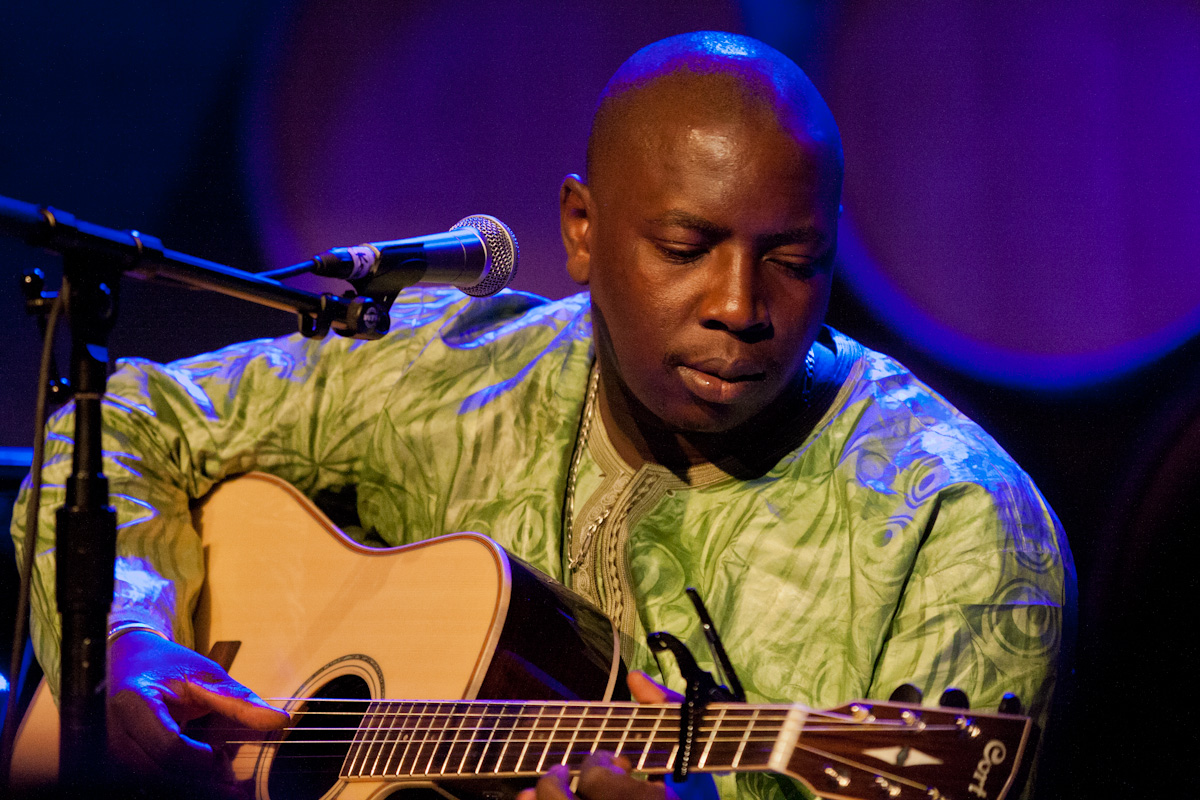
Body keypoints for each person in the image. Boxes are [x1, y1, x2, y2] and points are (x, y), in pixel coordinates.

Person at [11, 31, 1073, 800]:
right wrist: (124, 636)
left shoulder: (958, 521)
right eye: (687, 248)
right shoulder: (458, 371)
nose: (742, 307)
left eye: (793, 262)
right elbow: (127, 417)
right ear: (580, 228)